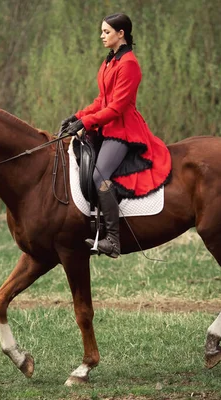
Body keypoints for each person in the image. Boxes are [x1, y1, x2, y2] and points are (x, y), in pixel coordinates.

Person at [61, 13, 171, 258]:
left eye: (106, 32)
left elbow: (117, 107)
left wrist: (85, 122)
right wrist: (77, 116)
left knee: (100, 175)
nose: (102, 36)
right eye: (101, 31)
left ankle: (112, 240)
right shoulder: (110, 61)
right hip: (107, 127)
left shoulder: (129, 63)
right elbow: (102, 100)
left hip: (123, 131)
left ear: (121, 34)